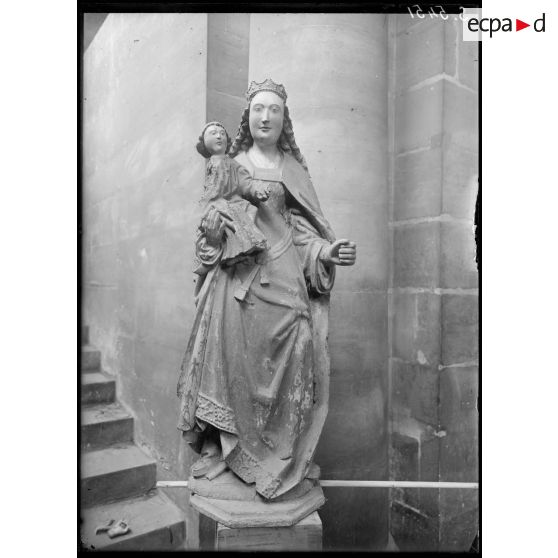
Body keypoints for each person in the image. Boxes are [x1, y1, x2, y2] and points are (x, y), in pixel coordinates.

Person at [177, 79, 357, 500]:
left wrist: (326, 252)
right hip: (240, 285)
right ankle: (227, 452)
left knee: (298, 353)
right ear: (248, 117)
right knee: (231, 366)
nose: (266, 116)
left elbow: (299, 230)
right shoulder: (231, 163)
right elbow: (207, 232)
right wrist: (215, 230)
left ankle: (283, 456)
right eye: (259, 108)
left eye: (274, 110)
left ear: (284, 120)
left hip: (287, 280)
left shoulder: (293, 171)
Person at [195, 121, 271, 268]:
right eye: (213, 133)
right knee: (225, 221)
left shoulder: (232, 163)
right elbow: (210, 189)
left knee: (245, 213)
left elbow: (246, 182)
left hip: (230, 203)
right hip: (215, 204)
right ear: (204, 142)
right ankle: (234, 251)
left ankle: (240, 251)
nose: (219, 136)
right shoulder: (211, 163)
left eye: (222, 134)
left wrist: (257, 189)